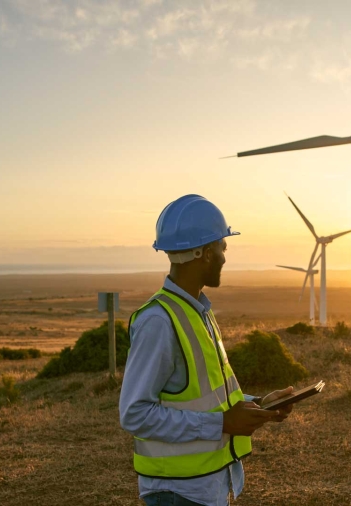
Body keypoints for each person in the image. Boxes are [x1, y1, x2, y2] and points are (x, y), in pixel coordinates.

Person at [119, 194, 294, 506]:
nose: (225, 257)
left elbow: (208, 397)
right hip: (176, 494)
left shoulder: (197, 312)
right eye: (222, 247)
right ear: (203, 253)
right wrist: (223, 423)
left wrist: (259, 404)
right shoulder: (159, 321)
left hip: (205, 487)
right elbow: (134, 414)